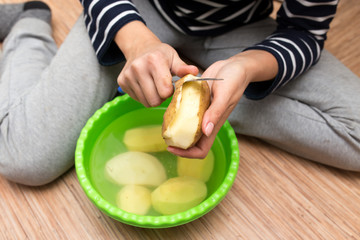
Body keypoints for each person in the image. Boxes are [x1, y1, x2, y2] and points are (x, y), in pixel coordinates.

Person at [0, 0, 359, 186]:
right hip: (137, 11)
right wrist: (136, 42)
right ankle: (29, 21)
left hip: (243, 29)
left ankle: (178, 93)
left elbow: (305, 31)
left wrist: (247, 69)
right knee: (24, 158)